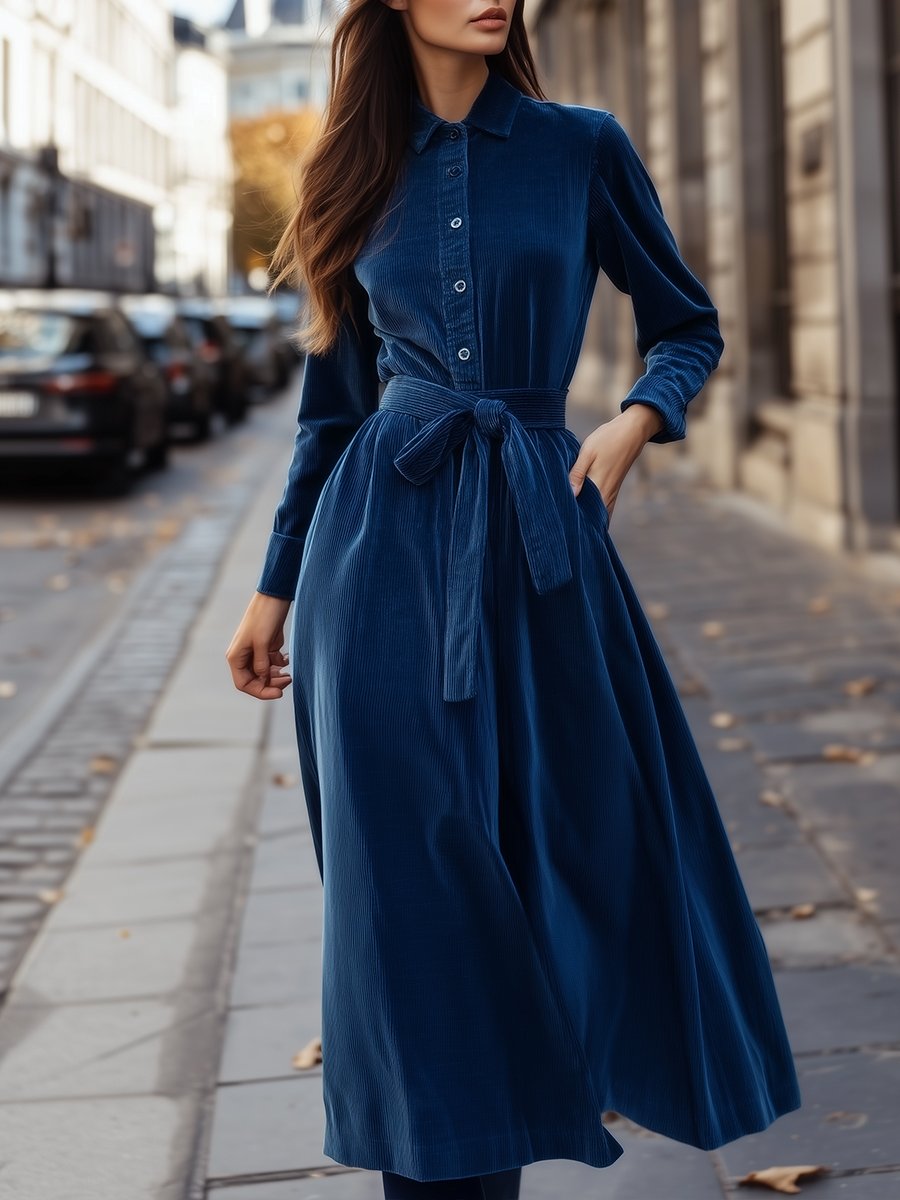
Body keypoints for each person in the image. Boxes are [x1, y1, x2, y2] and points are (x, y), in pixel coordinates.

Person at [225, 2, 803, 1197]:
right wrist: (273, 587)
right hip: (375, 564)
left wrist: (638, 422)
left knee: (588, 856)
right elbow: (333, 412)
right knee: (413, 903)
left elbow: (686, 325)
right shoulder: (348, 167)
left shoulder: (580, 144)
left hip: (543, 555)